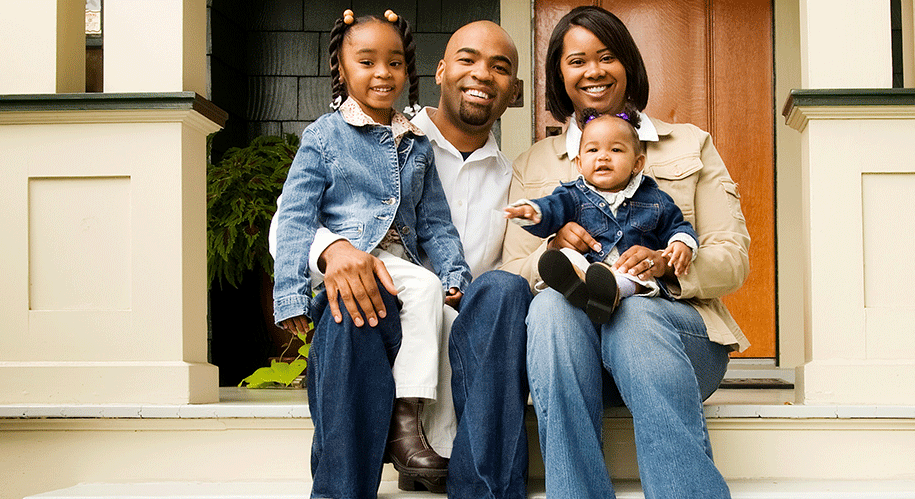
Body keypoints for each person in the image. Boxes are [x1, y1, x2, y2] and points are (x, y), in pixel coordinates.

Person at [500, 5, 753, 499]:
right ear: (560, 74)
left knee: (635, 316)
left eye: (607, 56)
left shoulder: (689, 144)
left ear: (628, 64)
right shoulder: (535, 164)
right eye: (577, 61)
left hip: (675, 343)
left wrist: (670, 263)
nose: (593, 70)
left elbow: (732, 256)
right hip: (573, 359)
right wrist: (553, 247)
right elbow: (512, 270)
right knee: (551, 305)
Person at [288, 20, 535, 498]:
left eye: (499, 67)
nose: (482, 74)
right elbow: (290, 223)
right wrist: (334, 250)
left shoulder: (515, 179)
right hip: (371, 329)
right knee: (360, 293)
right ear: (439, 71)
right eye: (467, 59)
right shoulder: (372, 135)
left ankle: (479, 475)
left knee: (503, 289)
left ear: (514, 90)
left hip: (459, 346)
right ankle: (346, 484)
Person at [269, 9, 469, 499]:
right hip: (350, 272)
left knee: (427, 292)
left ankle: (392, 436)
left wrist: (456, 275)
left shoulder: (417, 143)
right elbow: (294, 215)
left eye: (395, 62)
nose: (383, 73)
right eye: (367, 61)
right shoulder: (324, 136)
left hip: (400, 270)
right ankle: (405, 426)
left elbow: (436, 222)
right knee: (381, 310)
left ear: (409, 70)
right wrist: (291, 295)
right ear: (341, 67)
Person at [505, 107, 697, 324]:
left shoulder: (655, 199)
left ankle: (611, 292)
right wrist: (533, 212)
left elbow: (677, 225)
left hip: (630, 272)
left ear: (637, 164)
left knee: (637, 276)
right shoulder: (572, 195)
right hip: (589, 268)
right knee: (567, 257)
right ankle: (576, 285)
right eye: (593, 150)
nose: (603, 156)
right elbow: (552, 209)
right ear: (579, 163)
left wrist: (682, 243)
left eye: (616, 150)